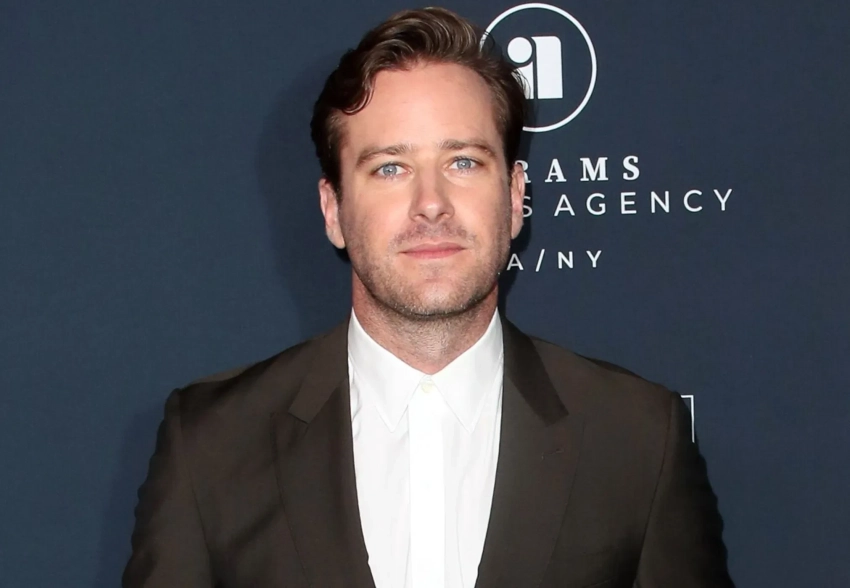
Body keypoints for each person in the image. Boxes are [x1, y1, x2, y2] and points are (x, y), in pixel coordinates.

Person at [123, 7, 734, 587]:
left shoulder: (637, 438)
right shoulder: (212, 445)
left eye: (463, 162)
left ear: (515, 197)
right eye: (390, 168)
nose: (431, 203)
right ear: (333, 210)